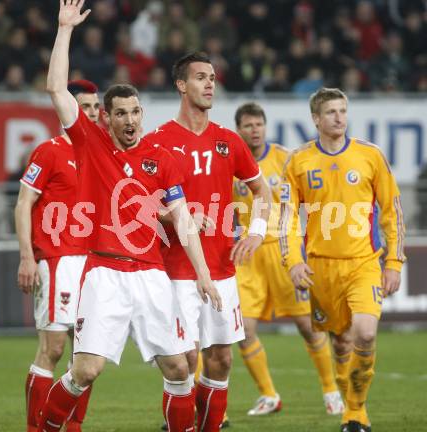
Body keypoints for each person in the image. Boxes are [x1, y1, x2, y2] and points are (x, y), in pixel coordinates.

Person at [37, 2, 221, 431]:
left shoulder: (162, 159)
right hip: (104, 273)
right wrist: (64, 30)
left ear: (143, 114)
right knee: (85, 372)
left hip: (152, 275)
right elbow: (55, 89)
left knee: (178, 368)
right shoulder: (90, 144)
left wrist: (203, 274)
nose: (130, 120)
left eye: (136, 112)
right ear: (106, 116)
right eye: (120, 113)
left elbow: (183, 219)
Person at [144, 52, 271, 431]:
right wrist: (173, 215)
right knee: (184, 360)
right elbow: (139, 206)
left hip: (222, 269)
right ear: (181, 85)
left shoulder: (228, 141)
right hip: (177, 271)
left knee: (222, 360)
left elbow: (262, 190)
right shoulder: (158, 141)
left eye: (212, 77)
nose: (210, 83)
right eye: (200, 77)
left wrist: (257, 232)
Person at [279, 87, 405, 432]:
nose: (339, 118)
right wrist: (292, 260)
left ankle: (356, 412)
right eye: (331, 112)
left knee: (364, 334)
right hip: (320, 266)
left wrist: (393, 263)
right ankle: (346, 393)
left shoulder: (370, 156)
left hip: (364, 264)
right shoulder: (299, 161)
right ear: (316, 119)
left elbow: (391, 212)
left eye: (343, 111)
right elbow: (287, 216)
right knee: (341, 340)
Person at [233, 102, 344, 416]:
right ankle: (269, 395)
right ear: (238, 129)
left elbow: (307, 200)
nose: (254, 131)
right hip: (247, 256)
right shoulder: (231, 163)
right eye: (248, 126)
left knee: (308, 326)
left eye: (258, 125)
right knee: (243, 330)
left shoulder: (285, 158)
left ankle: (330, 390)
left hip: (282, 252)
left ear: (265, 127)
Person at [15, 78, 100, 432]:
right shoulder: (49, 151)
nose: (93, 113)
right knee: (52, 348)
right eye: (86, 106)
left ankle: (73, 425)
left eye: (97, 107)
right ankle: (36, 428)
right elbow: (23, 203)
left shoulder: (100, 153)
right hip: (58, 259)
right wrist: (26, 256)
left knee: (88, 351)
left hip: (94, 262)